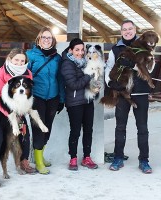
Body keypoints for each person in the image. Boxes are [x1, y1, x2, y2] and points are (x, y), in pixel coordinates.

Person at [105, 20, 153, 174]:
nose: (127, 31)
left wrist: (132, 65)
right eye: (124, 29)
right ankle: (118, 157)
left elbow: (150, 68)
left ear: (135, 29)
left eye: (130, 29)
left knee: (142, 127)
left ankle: (144, 160)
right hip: (122, 92)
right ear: (121, 32)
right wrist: (110, 82)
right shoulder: (115, 48)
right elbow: (108, 67)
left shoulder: (145, 45)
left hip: (140, 92)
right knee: (120, 126)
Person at [0, 48, 36, 189]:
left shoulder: (28, 74)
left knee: (25, 133)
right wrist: (11, 116)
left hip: (18, 111)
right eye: (16, 60)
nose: (19, 63)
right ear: (10, 59)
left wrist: (22, 111)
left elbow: (27, 96)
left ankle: (23, 161)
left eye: (22, 61)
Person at [26, 27, 65, 175]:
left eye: (49, 38)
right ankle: (39, 162)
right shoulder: (30, 55)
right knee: (38, 129)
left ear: (53, 40)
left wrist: (61, 99)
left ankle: (40, 156)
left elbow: (60, 79)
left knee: (47, 128)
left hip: (53, 98)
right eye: (44, 37)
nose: (47, 40)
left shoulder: (57, 58)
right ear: (39, 39)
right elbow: (24, 77)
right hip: (37, 98)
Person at [60, 38, 100, 171]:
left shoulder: (86, 62)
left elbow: (92, 79)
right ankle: (73, 158)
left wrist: (95, 85)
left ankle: (87, 157)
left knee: (88, 130)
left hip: (87, 101)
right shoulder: (67, 63)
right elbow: (73, 85)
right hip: (74, 102)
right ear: (71, 50)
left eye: (82, 50)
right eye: (77, 50)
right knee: (75, 131)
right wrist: (88, 76)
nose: (80, 52)